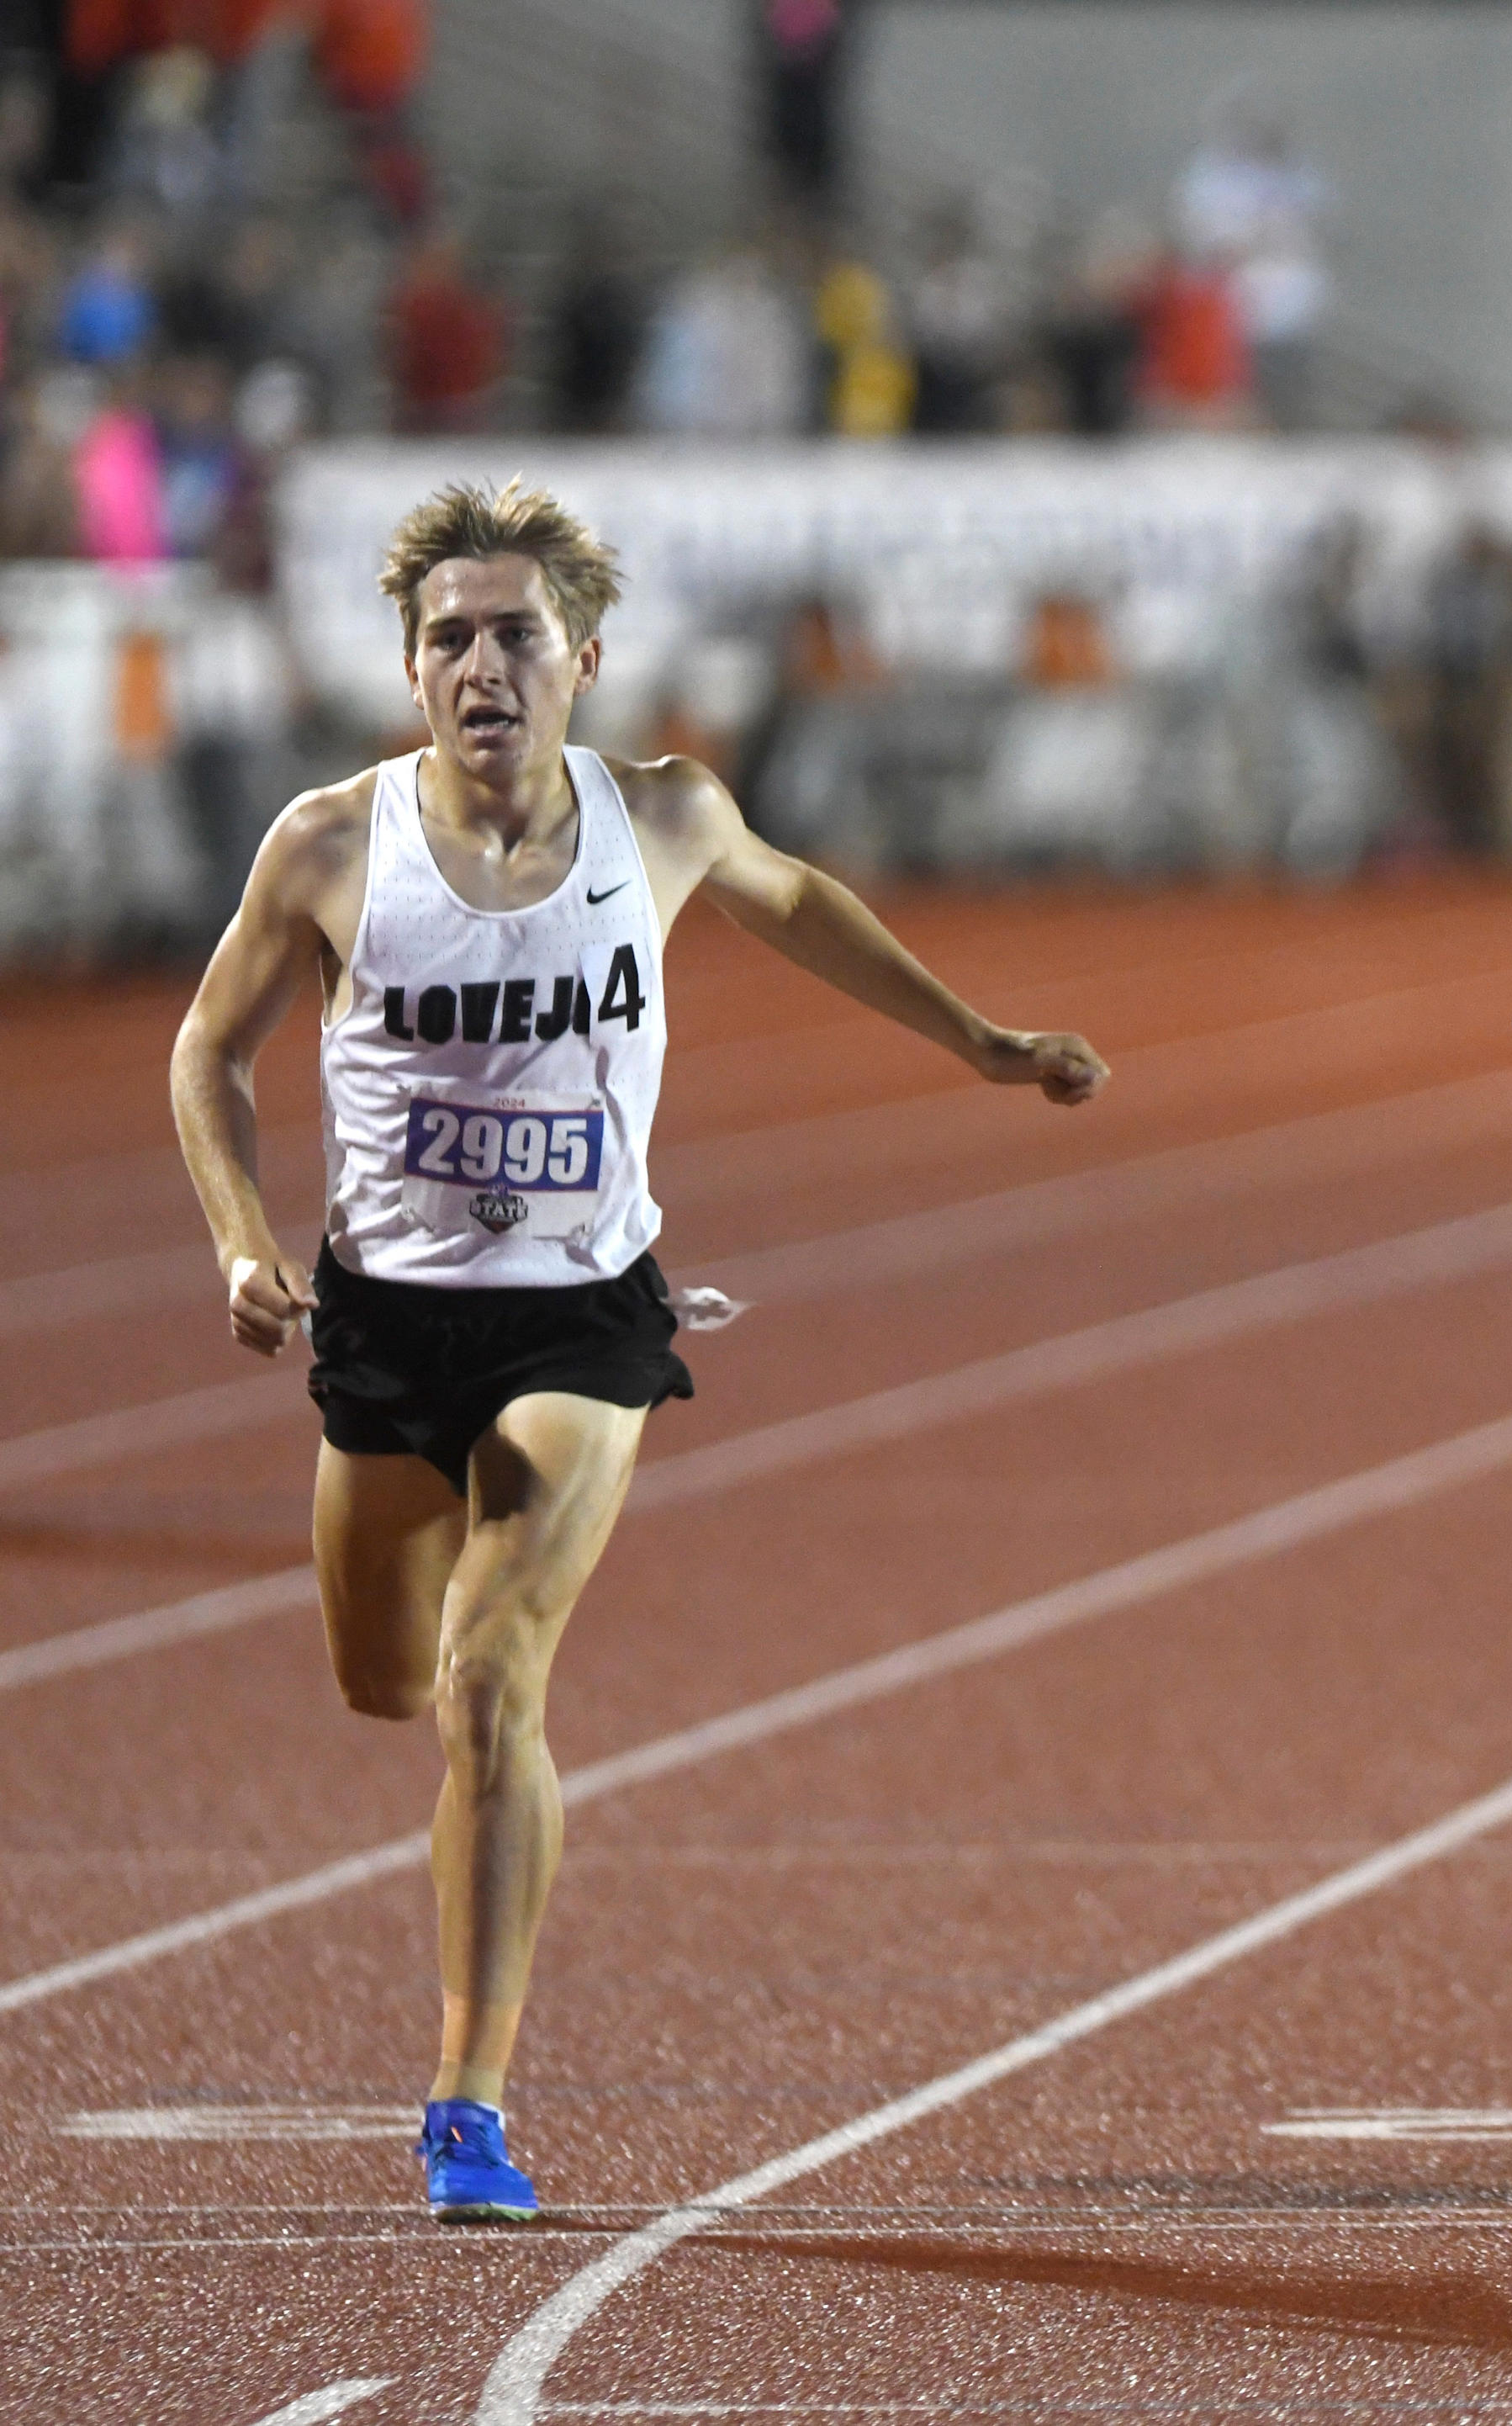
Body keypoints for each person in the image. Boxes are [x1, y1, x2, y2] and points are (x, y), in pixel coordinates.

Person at [168, 479, 1107, 2222]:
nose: (481, 664)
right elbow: (207, 1049)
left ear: (583, 657)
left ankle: (469, 2097)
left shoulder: (660, 815)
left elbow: (795, 898)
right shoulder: (324, 843)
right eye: (448, 635)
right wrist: (238, 1231)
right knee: (384, 1678)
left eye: (515, 632)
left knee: (488, 1681)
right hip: (385, 1314)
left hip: (582, 1311)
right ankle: (469, 1870)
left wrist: (977, 1041)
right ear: (409, 664)